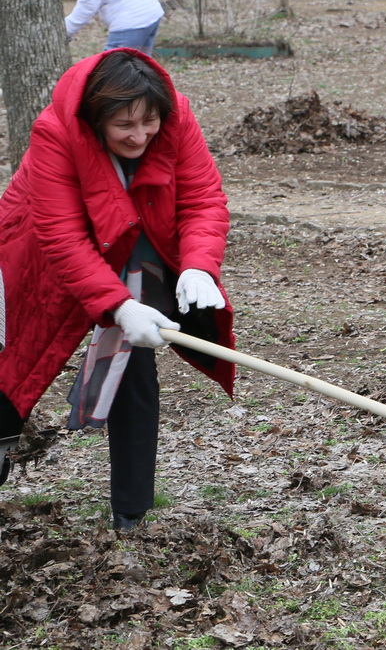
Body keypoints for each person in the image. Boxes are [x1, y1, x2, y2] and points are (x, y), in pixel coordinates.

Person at [0, 49, 236, 529]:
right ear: (95, 118)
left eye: (147, 122)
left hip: (134, 242)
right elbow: (61, 237)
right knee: (11, 365)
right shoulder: (55, 133)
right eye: (124, 125)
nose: (140, 135)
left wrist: (198, 267)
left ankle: (131, 511)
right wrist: (116, 305)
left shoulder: (174, 119)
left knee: (134, 361)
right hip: (39, 256)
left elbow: (202, 198)